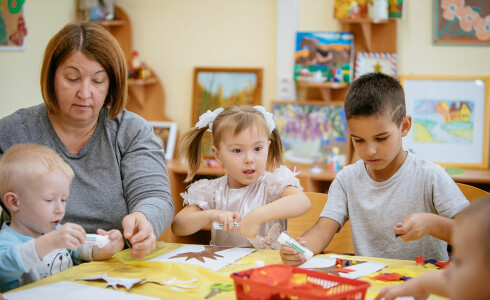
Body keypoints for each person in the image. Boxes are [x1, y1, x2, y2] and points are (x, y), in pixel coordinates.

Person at [0, 22, 174, 258]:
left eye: (97, 81)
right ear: (51, 78)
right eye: (72, 78)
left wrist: (143, 219)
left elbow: (155, 197)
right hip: (34, 270)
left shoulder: (131, 131)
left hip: (115, 263)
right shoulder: (13, 132)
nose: (84, 93)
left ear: (111, 83)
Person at [280, 72, 470, 264]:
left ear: (404, 126)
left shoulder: (429, 176)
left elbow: (474, 234)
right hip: (372, 283)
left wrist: (432, 224)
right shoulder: (347, 179)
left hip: (424, 285)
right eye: (358, 140)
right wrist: (302, 248)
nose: (370, 150)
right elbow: (322, 230)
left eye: (381, 138)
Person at [171, 106, 311, 248]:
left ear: (268, 147)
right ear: (218, 155)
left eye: (257, 148)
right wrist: (211, 215)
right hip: (226, 269)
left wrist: (258, 216)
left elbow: (302, 202)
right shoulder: (213, 191)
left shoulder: (272, 184)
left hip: (267, 268)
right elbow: (179, 226)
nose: (249, 159)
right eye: (237, 150)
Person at [0, 144, 124, 292]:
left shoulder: (55, 231)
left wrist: (104, 247)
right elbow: (4, 268)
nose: (60, 210)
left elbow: (83, 249)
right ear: (14, 202)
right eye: (49, 200)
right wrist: (49, 242)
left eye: (63, 199)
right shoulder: (6, 241)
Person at [375, 196, 490, 300]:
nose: (448, 270)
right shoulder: (471, 285)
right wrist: (419, 285)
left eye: (459, 262)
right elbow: (443, 282)